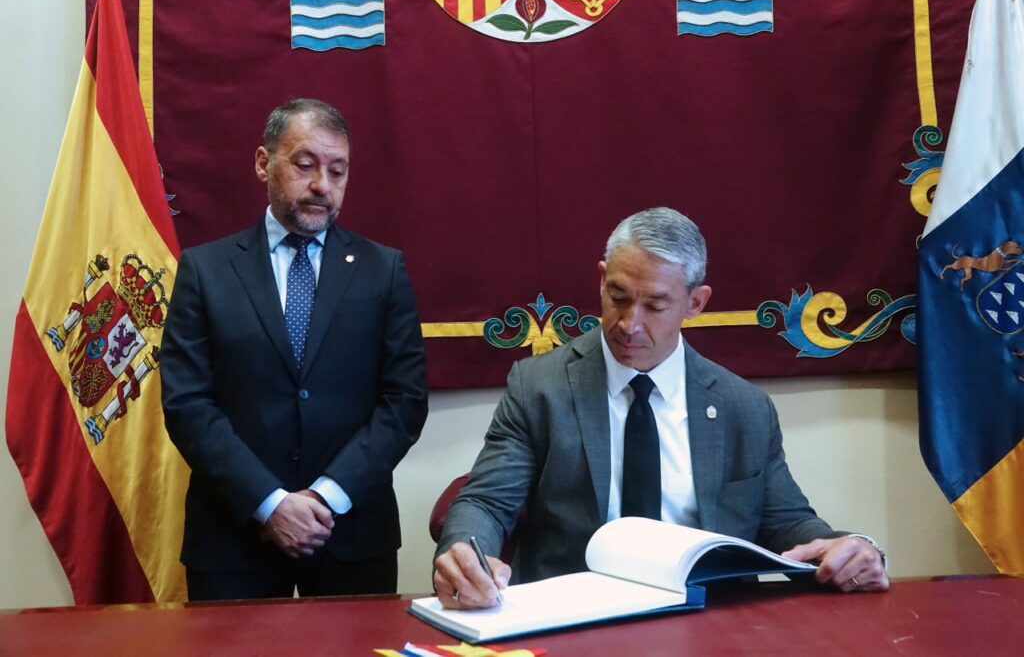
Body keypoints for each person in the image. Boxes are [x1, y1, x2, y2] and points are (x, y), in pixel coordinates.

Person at [433, 207, 888, 609]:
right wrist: (466, 554)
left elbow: (788, 523)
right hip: (576, 619)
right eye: (618, 297)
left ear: (696, 303)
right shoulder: (539, 387)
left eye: (654, 305)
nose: (629, 324)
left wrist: (848, 549)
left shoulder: (743, 408)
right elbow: (487, 502)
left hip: (710, 621)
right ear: (601, 279)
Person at [161, 98, 428, 600]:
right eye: (305, 165)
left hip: (351, 535)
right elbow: (187, 404)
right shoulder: (205, 271)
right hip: (234, 539)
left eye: (337, 171)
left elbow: (405, 402)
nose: (322, 185)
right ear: (264, 163)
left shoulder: (383, 270)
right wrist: (270, 503)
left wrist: (326, 497)